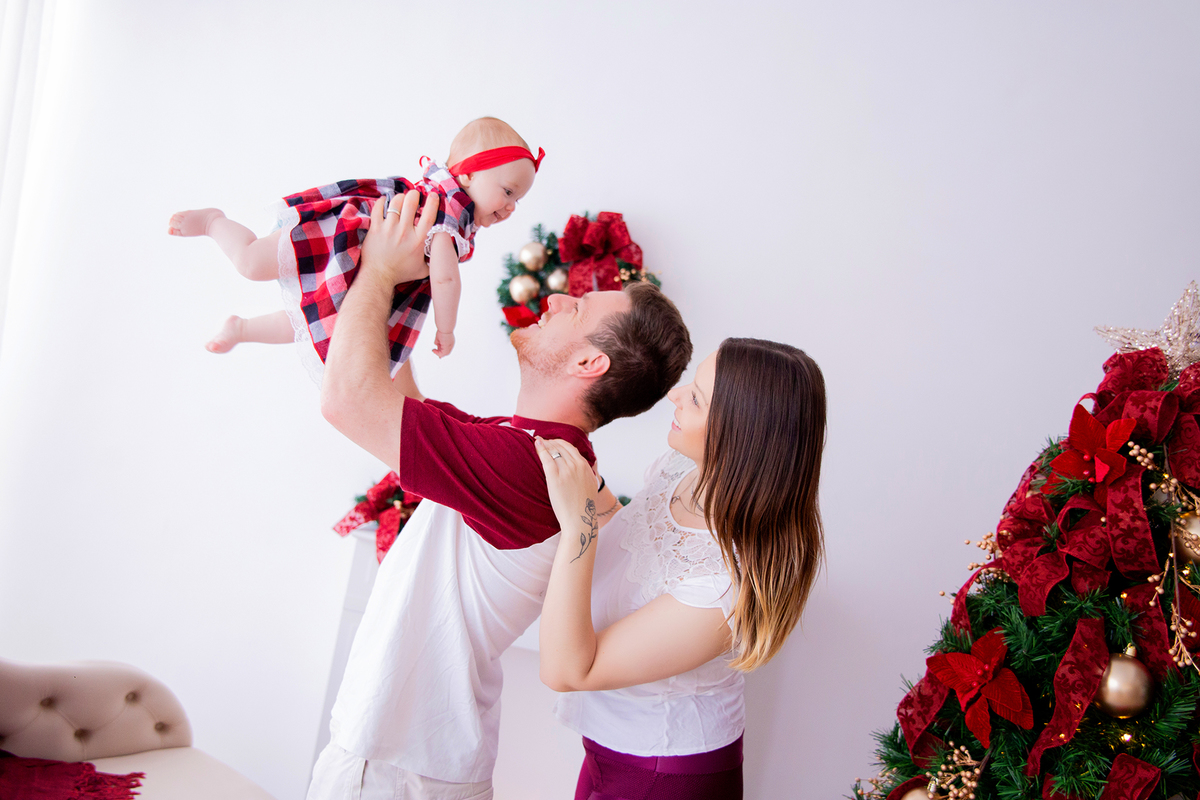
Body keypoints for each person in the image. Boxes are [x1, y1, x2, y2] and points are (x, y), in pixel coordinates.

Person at [311, 189, 693, 800]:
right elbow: (396, 397)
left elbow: (348, 401)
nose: (558, 297)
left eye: (576, 308)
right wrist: (410, 285)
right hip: (414, 761)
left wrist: (379, 271)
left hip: (396, 771)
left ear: (590, 364)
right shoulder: (527, 445)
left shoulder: (528, 467)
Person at [534, 337, 827, 800]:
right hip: (609, 746)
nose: (674, 395)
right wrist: (582, 480)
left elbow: (567, 671)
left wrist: (578, 526)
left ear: (738, 436)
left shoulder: (723, 585)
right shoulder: (682, 468)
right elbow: (640, 541)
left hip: (662, 773)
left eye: (696, 398)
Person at [168, 117, 542, 369]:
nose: (511, 207)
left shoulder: (457, 218)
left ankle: (242, 329)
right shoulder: (445, 217)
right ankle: (214, 221)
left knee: (315, 324)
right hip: (341, 236)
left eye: (518, 200)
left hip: (357, 270)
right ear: (469, 174)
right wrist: (447, 329)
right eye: (508, 192)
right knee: (252, 263)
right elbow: (446, 279)